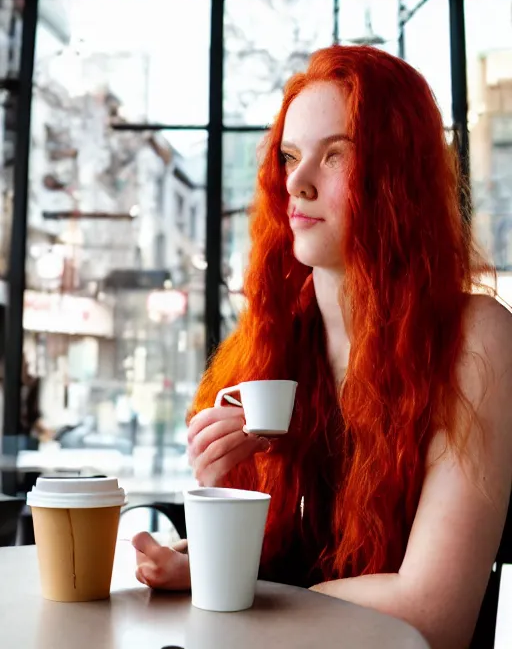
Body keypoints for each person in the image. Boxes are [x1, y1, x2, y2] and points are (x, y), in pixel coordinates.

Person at [132, 45, 512, 649]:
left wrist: (243, 586)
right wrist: (213, 526)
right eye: (290, 157)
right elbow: (283, 564)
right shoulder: (272, 346)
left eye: (334, 155)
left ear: (397, 175)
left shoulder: (476, 336)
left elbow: (432, 614)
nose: (297, 183)